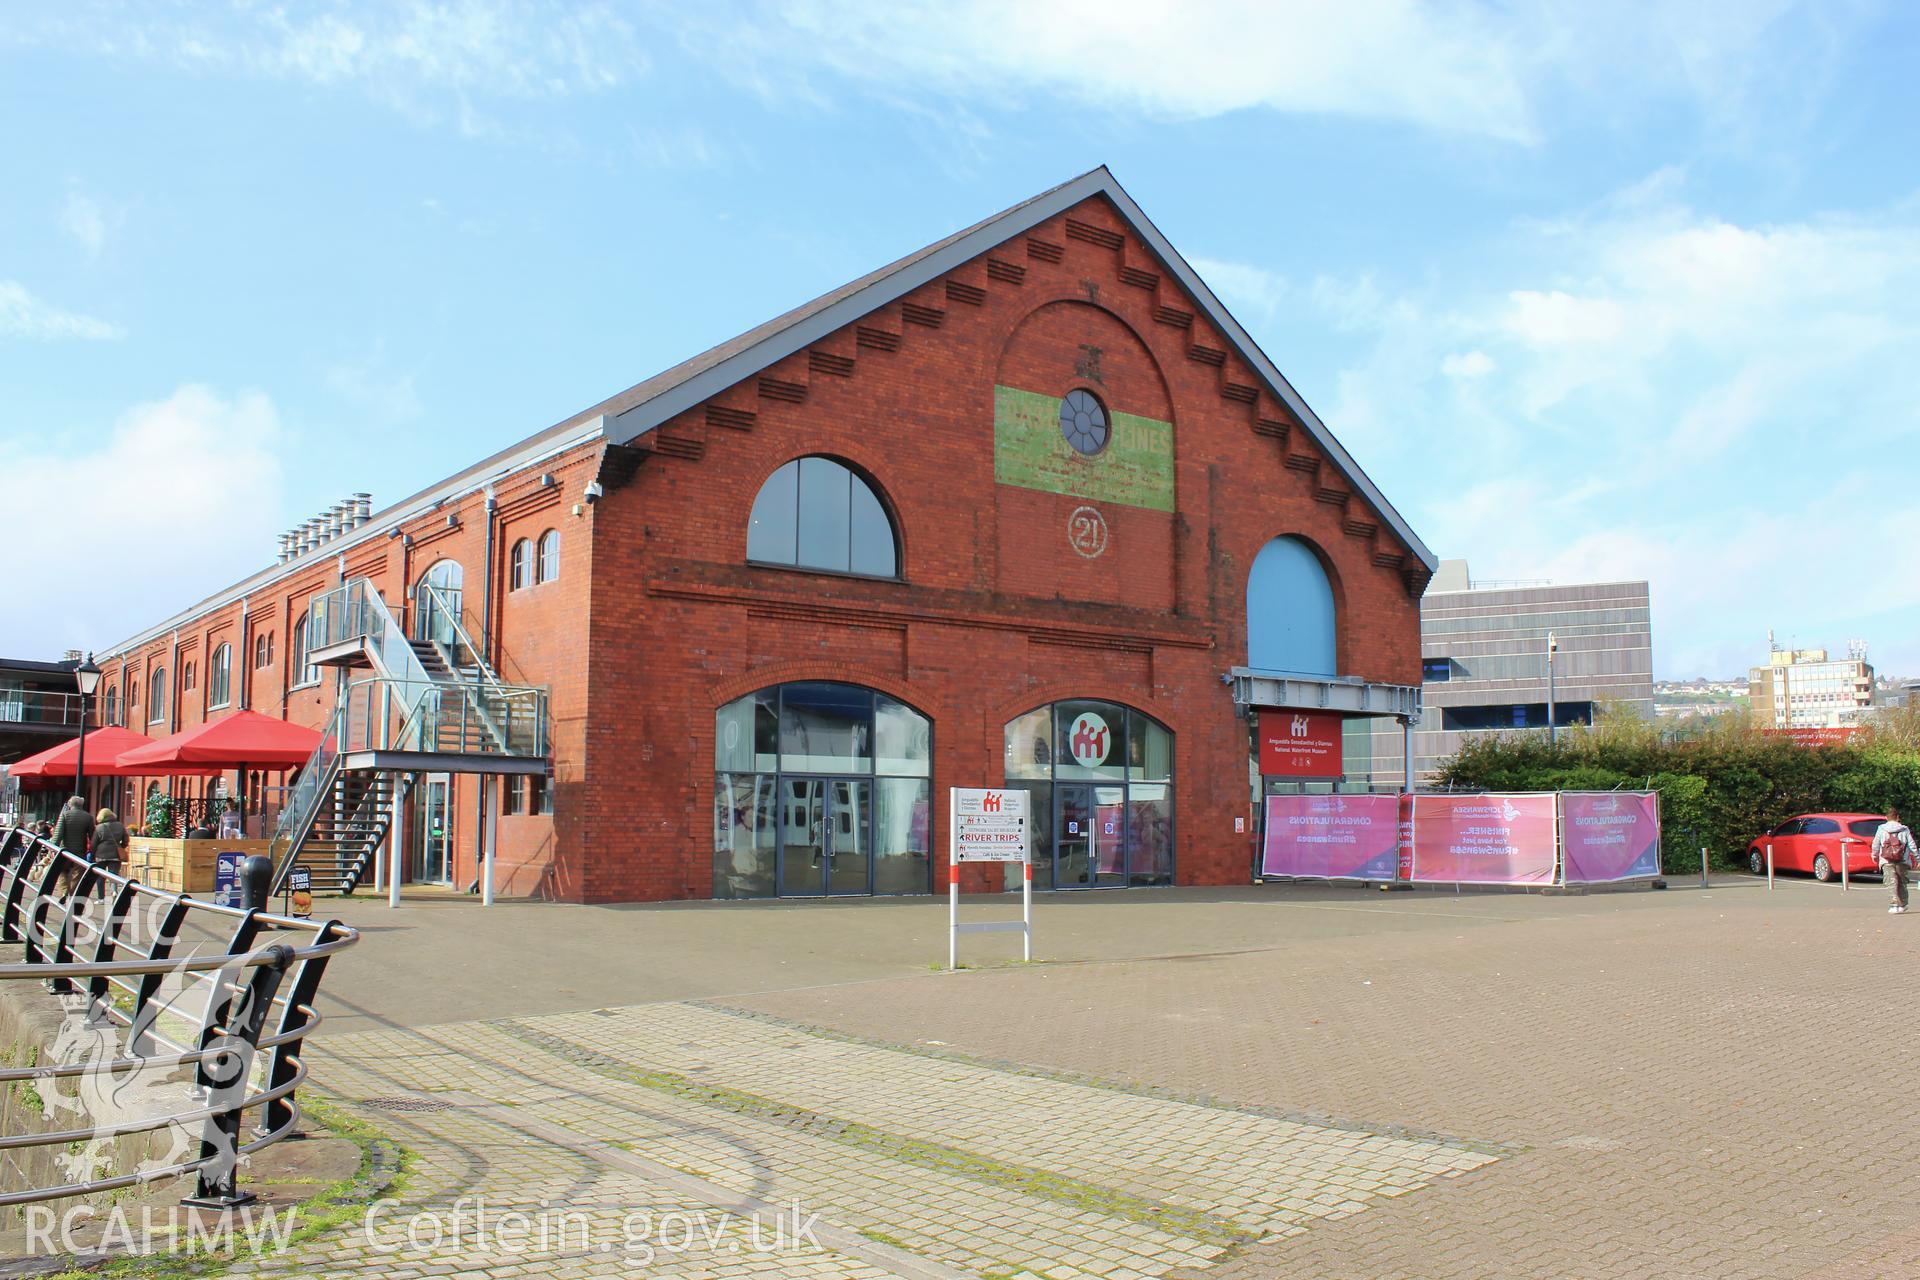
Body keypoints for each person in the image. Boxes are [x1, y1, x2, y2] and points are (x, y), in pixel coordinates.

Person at [1873, 808, 1918, 914]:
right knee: (1902, 882)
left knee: (1891, 882)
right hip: (1903, 860)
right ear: (1898, 817)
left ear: (1886, 818)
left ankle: (1894, 905)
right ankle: (1903, 905)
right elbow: (1912, 845)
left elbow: (1876, 843)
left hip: (1886, 859)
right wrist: (1917, 858)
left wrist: (1874, 855)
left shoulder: (1881, 829)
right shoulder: (1905, 829)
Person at [50, 796, 95, 862]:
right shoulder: (88, 817)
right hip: (81, 851)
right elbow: (92, 836)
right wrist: (92, 852)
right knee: (78, 870)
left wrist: (53, 848)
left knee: (64, 871)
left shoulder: (65, 815)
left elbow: (58, 833)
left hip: (66, 850)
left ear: (70, 804)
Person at [89, 807, 129, 879]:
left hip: (101, 855)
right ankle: (114, 890)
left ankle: (101, 890)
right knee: (113, 876)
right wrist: (121, 847)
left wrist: (92, 854)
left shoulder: (99, 827)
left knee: (100, 877)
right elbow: (126, 840)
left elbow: (93, 843)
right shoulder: (120, 825)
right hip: (115, 854)